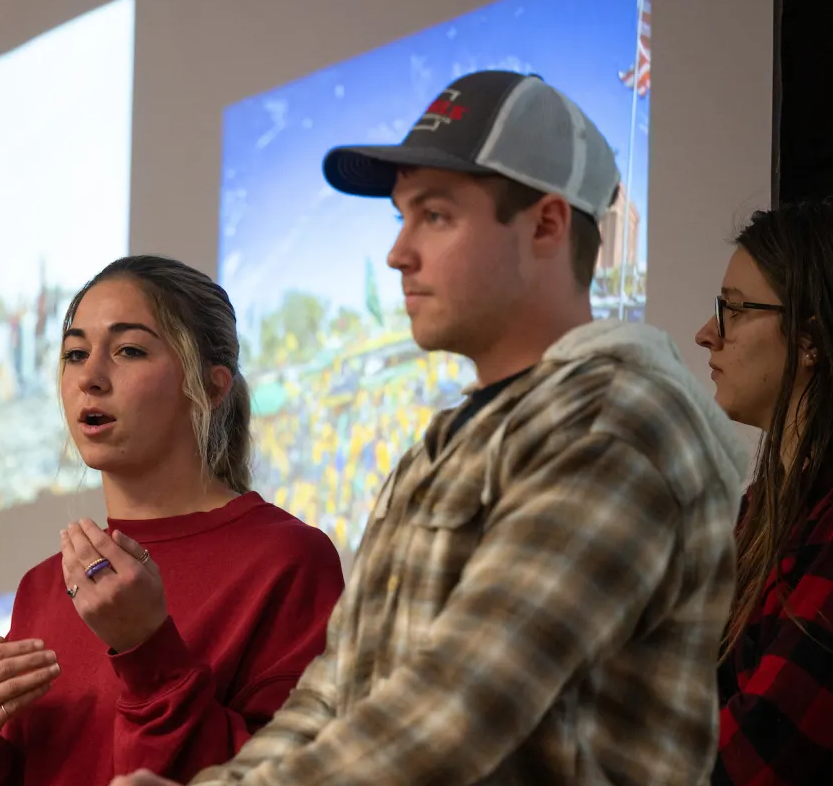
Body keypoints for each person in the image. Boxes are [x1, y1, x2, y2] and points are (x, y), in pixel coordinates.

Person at [116, 70, 751, 786]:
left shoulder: (617, 418)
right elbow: (335, 694)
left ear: (546, 224)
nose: (399, 252)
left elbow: (461, 707)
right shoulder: (445, 442)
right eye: (401, 217)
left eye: (437, 216)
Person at [0, 255, 345, 786]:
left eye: (129, 350)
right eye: (75, 353)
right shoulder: (44, 587)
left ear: (211, 388)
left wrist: (148, 651)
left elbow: (290, 775)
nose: (90, 378)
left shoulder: (288, 560)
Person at [696, 200, 833, 783]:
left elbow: (750, 763)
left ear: (808, 341)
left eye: (732, 309)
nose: (707, 334)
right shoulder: (767, 503)